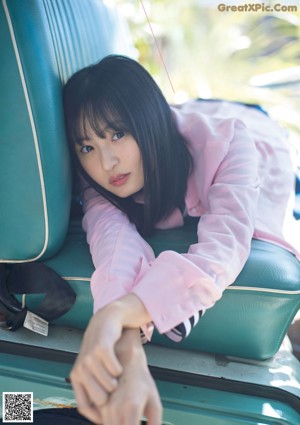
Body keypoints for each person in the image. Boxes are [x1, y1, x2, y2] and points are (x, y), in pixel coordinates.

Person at [63, 54, 300, 425]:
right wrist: (126, 346)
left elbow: (226, 243)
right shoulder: (97, 184)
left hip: (255, 131)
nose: (107, 162)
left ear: (144, 121)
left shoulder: (228, 142)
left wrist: (119, 314)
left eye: (117, 133)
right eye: (87, 147)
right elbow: (113, 246)